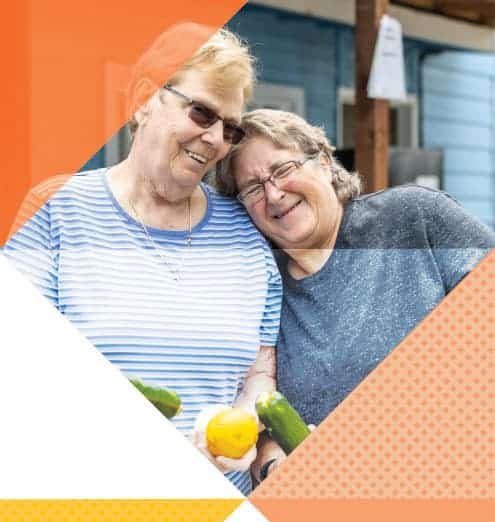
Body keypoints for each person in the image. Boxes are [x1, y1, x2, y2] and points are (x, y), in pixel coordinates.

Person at [4, 28, 282, 495]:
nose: (215, 139)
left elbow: (258, 375)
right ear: (143, 99)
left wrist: (245, 421)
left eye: (230, 128)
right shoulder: (55, 210)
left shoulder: (247, 236)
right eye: (200, 112)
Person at [217, 108, 495, 481]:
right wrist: (274, 467)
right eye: (252, 188)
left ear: (324, 161)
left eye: (283, 170)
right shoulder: (259, 284)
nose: (274, 193)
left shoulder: (413, 217)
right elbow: (260, 423)